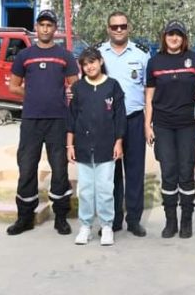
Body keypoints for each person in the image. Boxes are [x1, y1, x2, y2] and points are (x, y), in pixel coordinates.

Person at [5, 10, 80, 236]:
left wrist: (62, 98)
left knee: (59, 169)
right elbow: (13, 86)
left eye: (49, 25)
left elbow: (75, 86)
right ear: (36, 28)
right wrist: (34, 95)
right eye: (42, 24)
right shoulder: (24, 55)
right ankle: (25, 218)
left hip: (58, 120)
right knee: (27, 167)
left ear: (55, 29)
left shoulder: (65, 55)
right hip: (31, 120)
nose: (45, 29)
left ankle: (61, 218)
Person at [145, 20, 195, 238]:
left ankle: (186, 221)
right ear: (164, 36)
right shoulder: (155, 62)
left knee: (186, 172)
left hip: (189, 125)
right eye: (170, 34)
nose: (174, 38)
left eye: (178, 34)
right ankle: (171, 221)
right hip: (163, 125)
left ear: (184, 38)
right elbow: (149, 96)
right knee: (168, 172)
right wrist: (147, 125)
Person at [67, 47, 126, 246]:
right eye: (85, 64)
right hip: (83, 147)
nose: (89, 67)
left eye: (92, 62)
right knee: (85, 190)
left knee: (105, 189)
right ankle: (85, 226)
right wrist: (70, 145)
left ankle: (107, 226)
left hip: (106, 147)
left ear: (100, 62)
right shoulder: (78, 88)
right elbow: (72, 118)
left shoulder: (112, 86)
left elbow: (119, 118)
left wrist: (118, 142)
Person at [99, 11, 150, 237]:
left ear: (129, 27)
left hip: (135, 120)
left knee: (135, 171)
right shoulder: (99, 55)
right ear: (108, 29)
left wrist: (150, 123)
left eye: (122, 26)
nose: (118, 30)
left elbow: (149, 91)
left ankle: (134, 219)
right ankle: (114, 220)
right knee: (111, 173)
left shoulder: (141, 55)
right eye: (114, 26)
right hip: (108, 123)